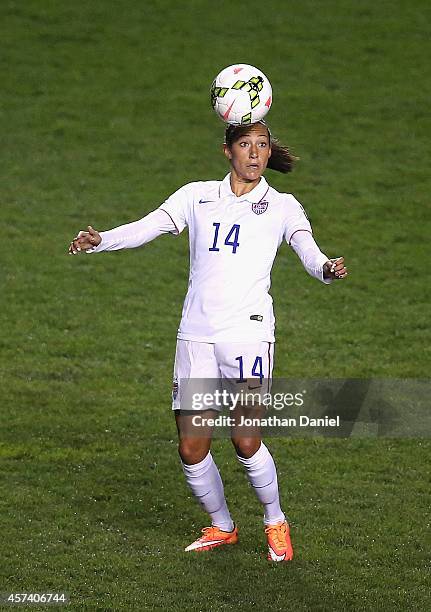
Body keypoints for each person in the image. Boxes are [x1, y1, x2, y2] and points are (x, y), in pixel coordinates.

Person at [68, 120, 347, 562]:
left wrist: (326, 269)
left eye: (262, 146)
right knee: (191, 446)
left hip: (249, 337)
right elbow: (148, 227)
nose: (255, 154)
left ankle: (275, 520)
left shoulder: (282, 206)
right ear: (227, 151)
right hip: (197, 337)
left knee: (245, 438)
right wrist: (101, 241)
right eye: (245, 145)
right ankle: (223, 526)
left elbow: (308, 250)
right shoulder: (195, 196)